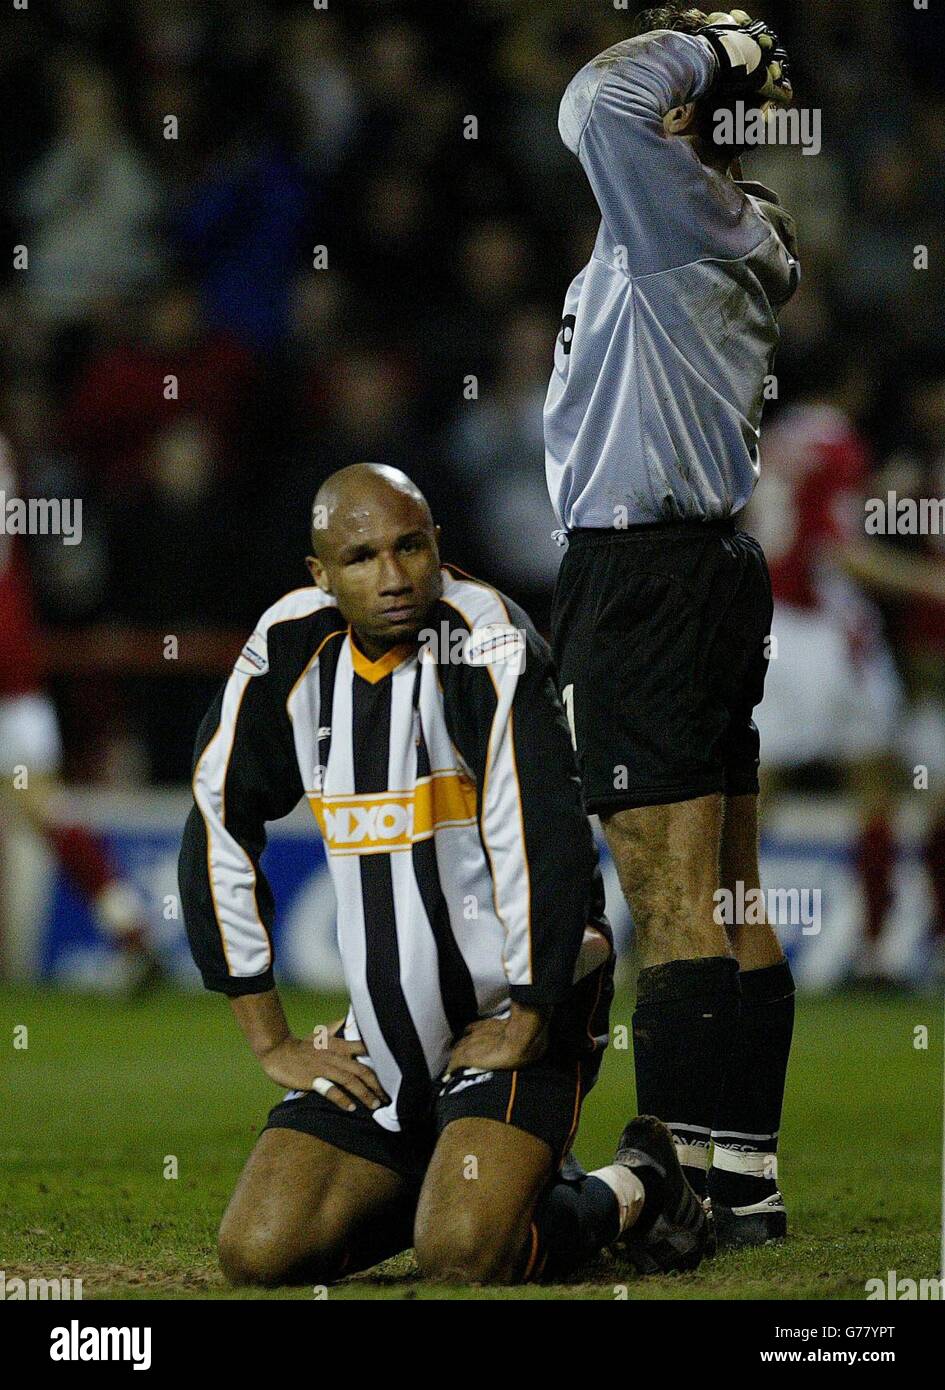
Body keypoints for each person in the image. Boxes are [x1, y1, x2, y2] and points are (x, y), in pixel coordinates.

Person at [178, 462, 711, 1285]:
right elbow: (217, 818)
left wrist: (532, 1011)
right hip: (386, 1031)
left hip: (520, 999)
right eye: (361, 559)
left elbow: (542, 834)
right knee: (259, 1254)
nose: (393, 577)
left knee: (464, 1254)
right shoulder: (288, 647)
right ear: (320, 575)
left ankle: (637, 1185)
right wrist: (271, 1037)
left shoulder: (487, 640)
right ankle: (457, 1168)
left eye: (410, 547)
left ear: (438, 547)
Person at [544, 6, 799, 1244]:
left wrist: (713, 44)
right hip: (701, 566)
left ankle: (682, 1191)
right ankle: (745, 1180)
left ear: (686, 121)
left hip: (641, 572)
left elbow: (594, 100)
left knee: (672, 901)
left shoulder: (674, 207)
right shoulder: (730, 227)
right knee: (734, 893)